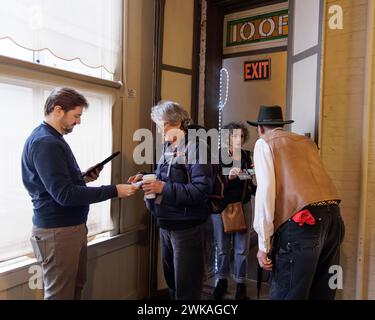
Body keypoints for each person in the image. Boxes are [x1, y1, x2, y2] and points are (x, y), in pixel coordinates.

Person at [21, 88, 138, 300]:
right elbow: (64, 195)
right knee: (60, 294)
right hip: (58, 232)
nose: (78, 122)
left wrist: (82, 179)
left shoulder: (51, 139)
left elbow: (54, 186)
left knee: (75, 288)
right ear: (58, 110)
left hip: (66, 229)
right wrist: (114, 190)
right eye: (76, 116)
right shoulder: (46, 143)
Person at [247, 105, 345, 300]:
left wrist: (263, 245)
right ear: (282, 125)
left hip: (303, 223)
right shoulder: (306, 142)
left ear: (260, 128)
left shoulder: (263, 143)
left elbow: (265, 193)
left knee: (289, 294)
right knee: (324, 292)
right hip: (334, 218)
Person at [128, 100, 214, 300]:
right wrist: (144, 176)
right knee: (173, 282)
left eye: (161, 125)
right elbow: (166, 177)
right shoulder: (169, 147)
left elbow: (201, 191)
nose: (160, 131)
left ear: (176, 122)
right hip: (167, 223)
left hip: (187, 226)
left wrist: (163, 187)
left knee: (187, 286)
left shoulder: (197, 147)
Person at [211, 122, 256, 300]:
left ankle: (240, 284)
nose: (238, 139)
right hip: (221, 207)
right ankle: (221, 280)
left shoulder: (246, 155)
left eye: (241, 136)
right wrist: (228, 177)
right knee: (222, 247)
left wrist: (244, 174)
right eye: (234, 136)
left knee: (241, 248)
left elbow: (251, 175)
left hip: (242, 205)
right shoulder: (217, 156)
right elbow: (212, 181)